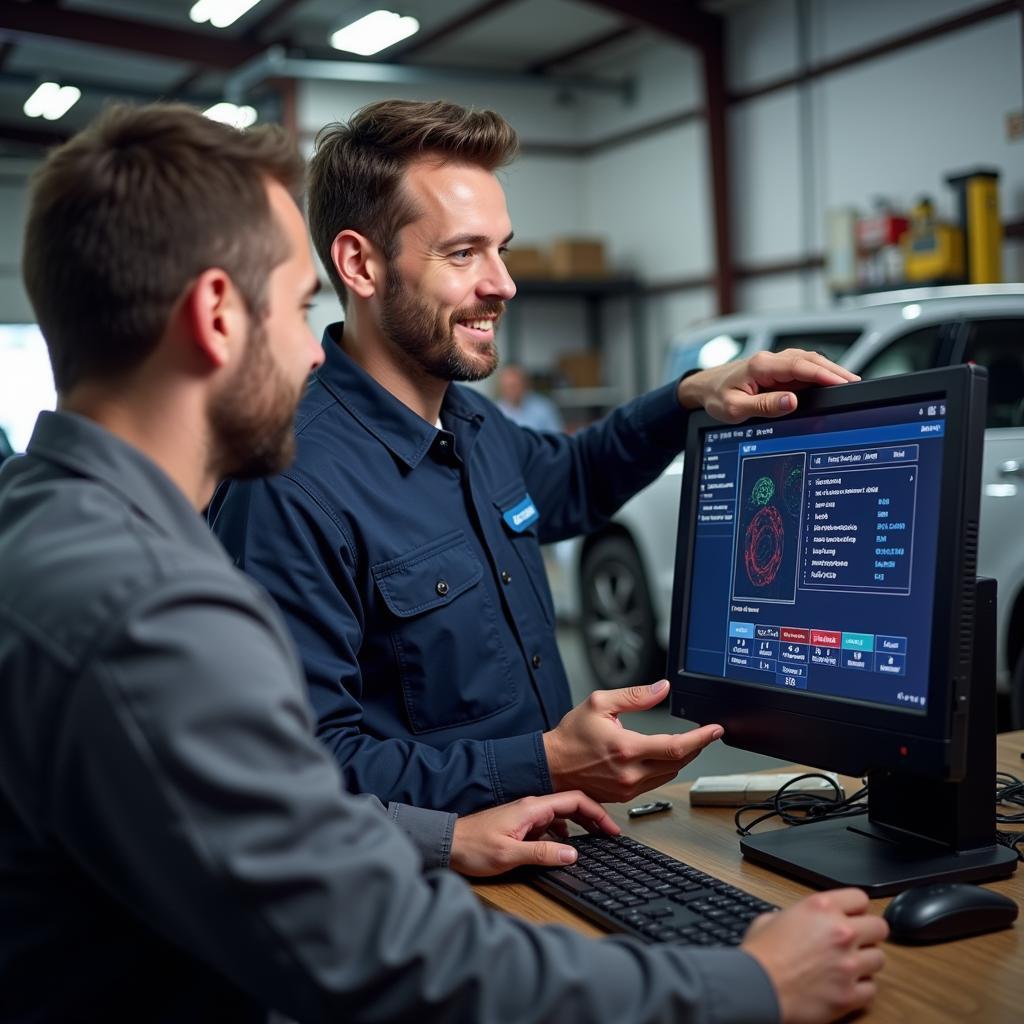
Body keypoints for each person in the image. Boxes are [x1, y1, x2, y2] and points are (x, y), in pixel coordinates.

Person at [0, 101, 888, 1024]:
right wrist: (747, 987)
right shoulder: (142, 609)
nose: (312, 348)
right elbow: (374, 947)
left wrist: (689, 397)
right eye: (298, 307)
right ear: (221, 314)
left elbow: (238, 821)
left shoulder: (48, 529)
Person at [210, 99, 860, 816]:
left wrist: (691, 397)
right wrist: (543, 763)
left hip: (552, 848)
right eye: (463, 253)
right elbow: (306, 770)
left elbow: (576, 477)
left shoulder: (472, 423)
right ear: (360, 264)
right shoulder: (288, 484)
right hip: (430, 889)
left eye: (502, 249)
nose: (503, 284)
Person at [497, 363, 564, 431]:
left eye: (515, 385)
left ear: (525, 384)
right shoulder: (496, 411)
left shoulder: (544, 408)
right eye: (507, 387)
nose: (511, 390)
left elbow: (555, 435)